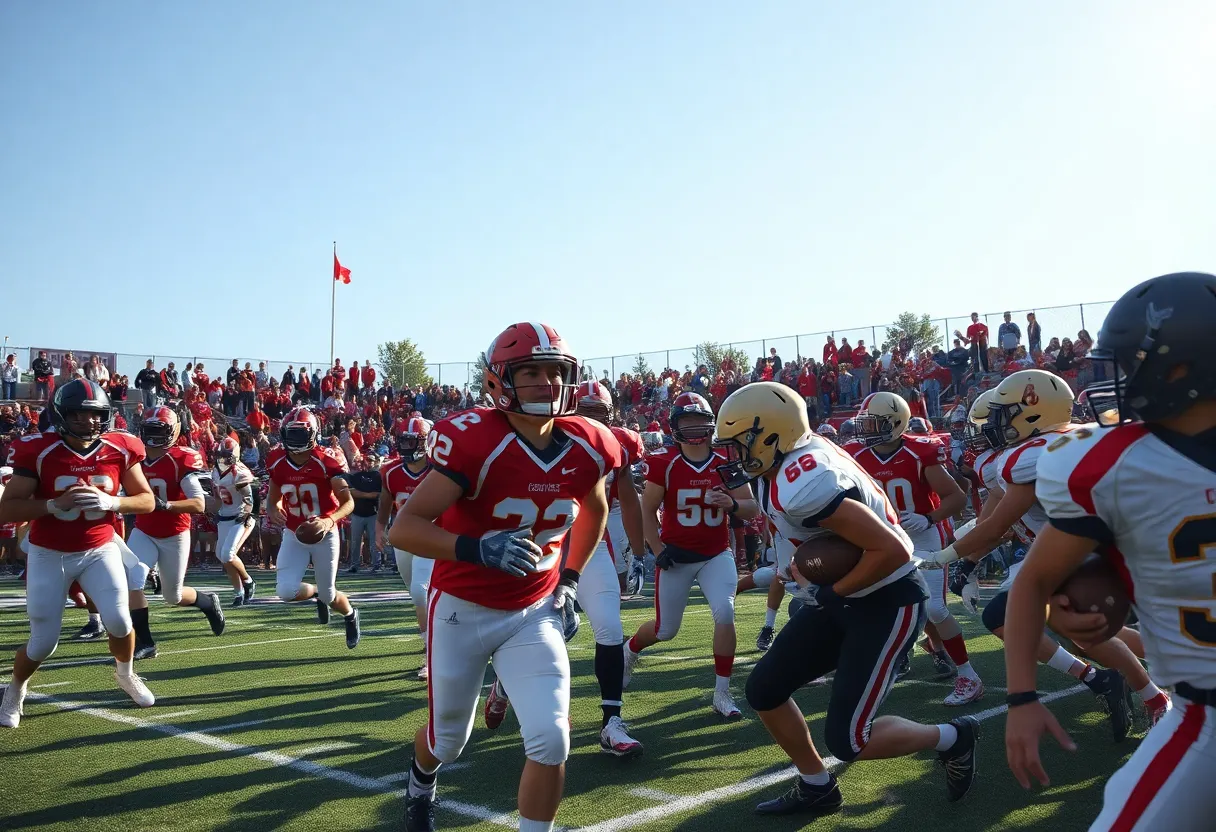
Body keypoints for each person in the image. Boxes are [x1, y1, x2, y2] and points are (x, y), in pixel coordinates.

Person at [1003, 272, 1216, 829]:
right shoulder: (1115, 464)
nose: (1115, 381)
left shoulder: (1113, 465)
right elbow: (1034, 583)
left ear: (1179, 368)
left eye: (1128, 363)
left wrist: (1023, 698)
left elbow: (1030, 583)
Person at [389, 321, 619, 832]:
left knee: (552, 737)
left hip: (532, 611)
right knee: (448, 740)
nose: (545, 383)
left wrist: (571, 578)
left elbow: (595, 508)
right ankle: (421, 780)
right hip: (461, 607)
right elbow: (403, 529)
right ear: (498, 380)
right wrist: (476, 547)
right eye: (530, 371)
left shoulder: (591, 443)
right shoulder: (474, 440)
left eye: (554, 372)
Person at [713, 381, 979, 815]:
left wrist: (831, 589)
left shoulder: (806, 482)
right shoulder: (784, 462)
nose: (734, 455)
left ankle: (954, 737)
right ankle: (816, 785)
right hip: (843, 594)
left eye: (741, 443)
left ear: (772, 435)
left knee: (850, 741)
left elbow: (893, 549)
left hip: (887, 599)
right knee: (764, 688)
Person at [930, 369, 1164, 738]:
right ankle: (1164, 677)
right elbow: (991, 520)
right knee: (1087, 631)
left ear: (1034, 412)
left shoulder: (1024, 458)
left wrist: (944, 558)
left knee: (1082, 631)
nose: (992, 426)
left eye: (1001, 416)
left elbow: (994, 526)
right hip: (1114, 551)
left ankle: (1155, 696)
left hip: (1099, 557)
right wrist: (966, 559)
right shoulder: (1066, 440)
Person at [488, 381, 648, 758]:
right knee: (548, 631)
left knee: (609, 627)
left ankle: (612, 723)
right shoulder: (540, 437)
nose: (593, 421)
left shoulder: (619, 443)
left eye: (600, 413)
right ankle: (507, 686)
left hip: (591, 548)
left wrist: (638, 554)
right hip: (543, 549)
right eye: (586, 411)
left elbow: (628, 496)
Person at [0, 379, 158, 728]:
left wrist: (113, 501)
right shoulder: (38, 450)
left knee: (119, 620)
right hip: (49, 552)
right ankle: (15, 688)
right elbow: (7, 509)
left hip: (100, 546)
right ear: (61, 415)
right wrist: (53, 504)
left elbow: (146, 499)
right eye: (80, 415)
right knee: (43, 643)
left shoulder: (119, 447)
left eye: (96, 415)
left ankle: (126, 674)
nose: (89, 422)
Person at [623, 391, 760, 720]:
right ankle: (628, 651)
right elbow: (647, 511)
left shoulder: (726, 464)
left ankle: (722, 693)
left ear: (711, 423)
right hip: (677, 555)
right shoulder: (663, 462)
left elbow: (752, 506)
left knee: (725, 613)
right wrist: (657, 551)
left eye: (701, 420)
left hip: (716, 554)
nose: (696, 427)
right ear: (675, 425)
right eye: (688, 421)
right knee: (665, 630)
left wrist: (732, 505)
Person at [848, 392, 981, 705]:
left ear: (895, 423)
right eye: (864, 422)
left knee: (934, 608)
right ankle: (884, 663)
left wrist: (928, 517)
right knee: (868, 605)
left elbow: (957, 498)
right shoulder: (854, 454)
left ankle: (968, 675)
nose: (866, 429)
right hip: (881, 539)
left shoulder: (920, 451)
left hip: (922, 537)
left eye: (874, 423)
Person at [125, 407, 224, 659]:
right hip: (144, 530)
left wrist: (164, 505)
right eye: (150, 430)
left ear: (172, 432)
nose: (154, 437)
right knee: (132, 582)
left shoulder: (180, 459)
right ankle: (145, 643)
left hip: (174, 533)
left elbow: (199, 504)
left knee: (173, 595)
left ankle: (206, 601)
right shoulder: (134, 457)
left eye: (160, 431)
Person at [266, 407, 360, 644]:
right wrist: (272, 509)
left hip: (324, 533)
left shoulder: (328, 459)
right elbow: (273, 497)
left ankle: (350, 614)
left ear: (313, 433)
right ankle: (316, 593)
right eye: (291, 433)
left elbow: (348, 503)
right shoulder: (277, 460)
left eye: (300, 434)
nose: (294, 440)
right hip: (293, 532)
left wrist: (329, 520)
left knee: (330, 595)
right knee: (285, 591)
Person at [378, 416, 434, 679]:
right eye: (403, 440)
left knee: (420, 592)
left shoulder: (440, 469)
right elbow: (386, 500)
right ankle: (430, 640)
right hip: (403, 538)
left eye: (412, 440)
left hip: (432, 536)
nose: (406, 445)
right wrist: (380, 528)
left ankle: (430, 653)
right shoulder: (391, 470)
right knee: (417, 594)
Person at [211, 436, 258, 607]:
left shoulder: (239, 472)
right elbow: (217, 500)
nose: (222, 458)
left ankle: (248, 581)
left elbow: (249, 500)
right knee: (221, 555)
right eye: (221, 454)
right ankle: (238, 593)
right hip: (224, 517)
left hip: (240, 517)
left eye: (226, 454)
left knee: (227, 554)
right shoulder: (215, 471)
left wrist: (245, 516)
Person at [343, 452, 383, 574]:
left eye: (371, 461)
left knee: (374, 541)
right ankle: (354, 565)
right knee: (355, 541)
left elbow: (378, 494)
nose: (369, 463)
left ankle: (377, 564)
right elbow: (352, 492)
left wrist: (361, 494)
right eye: (367, 460)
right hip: (357, 513)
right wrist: (367, 494)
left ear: (375, 462)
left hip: (373, 513)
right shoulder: (356, 476)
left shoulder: (377, 476)